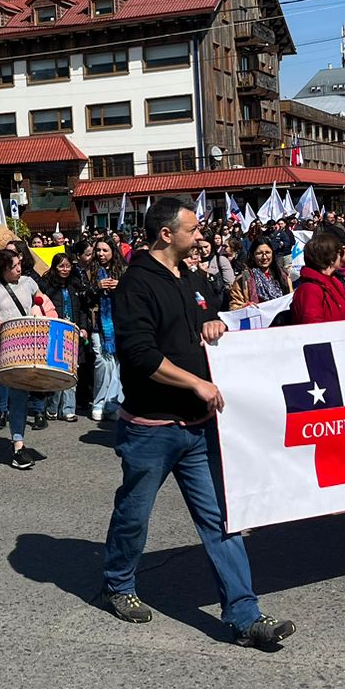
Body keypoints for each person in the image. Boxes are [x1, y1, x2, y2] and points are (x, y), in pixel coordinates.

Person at [99, 197, 295, 649]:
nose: (200, 236)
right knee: (134, 515)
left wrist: (213, 324)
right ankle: (117, 584)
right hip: (150, 428)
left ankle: (245, 616)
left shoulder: (193, 277)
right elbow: (140, 355)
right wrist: (196, 383)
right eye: (192, 230)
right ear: (166, 234)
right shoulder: (135, 285)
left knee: (221, 520)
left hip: (198, 428)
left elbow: (208, 318)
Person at [0, 249, 54, 466]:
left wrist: (46, 315)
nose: (19, 269)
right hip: (7, 347)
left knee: (29, 391)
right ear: (2, 269)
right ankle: (18, 446)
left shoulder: (29, 282)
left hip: (31, 344)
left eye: (19, 264)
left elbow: (44, 302)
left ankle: (21, 440)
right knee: (17, 397)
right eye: (13, 266)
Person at [39, 250, 91, 424]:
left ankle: (68, 409)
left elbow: (82, 310)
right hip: (54, 332)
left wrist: (83, 327)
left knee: (72, 372)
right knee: (56, 372)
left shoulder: (75, 285)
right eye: (61, 266)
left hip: (73, 333)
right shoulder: (46, 286)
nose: (65, 269)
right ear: (55, 267)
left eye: (68, 266)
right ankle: (52, 408)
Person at [88, 239, 124, 422]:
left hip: (119, 323)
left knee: (117, 364)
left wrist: (121, 286)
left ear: (113, 251)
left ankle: (113, 403)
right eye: (98, 250)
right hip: (98, 324)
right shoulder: (90, 271)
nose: (101, 254)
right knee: (102, 362)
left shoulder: (123, 270)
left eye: (105, 250)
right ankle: (99, 402)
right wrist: (97, 287)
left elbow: (133, 294)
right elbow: (82, 294)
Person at [287, 234, 345, 325]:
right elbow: (312, 326)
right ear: (331, 259)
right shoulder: (309, 290)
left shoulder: (334, 282)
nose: (341, 257)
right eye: (340, 253)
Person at [229, 239, 291, 309]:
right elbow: (234, 306)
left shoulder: (283, 276)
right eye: (259, 253)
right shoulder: (243, 279)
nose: (264, 257)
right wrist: (245, 307)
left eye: (267, 252)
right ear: (253, 255)